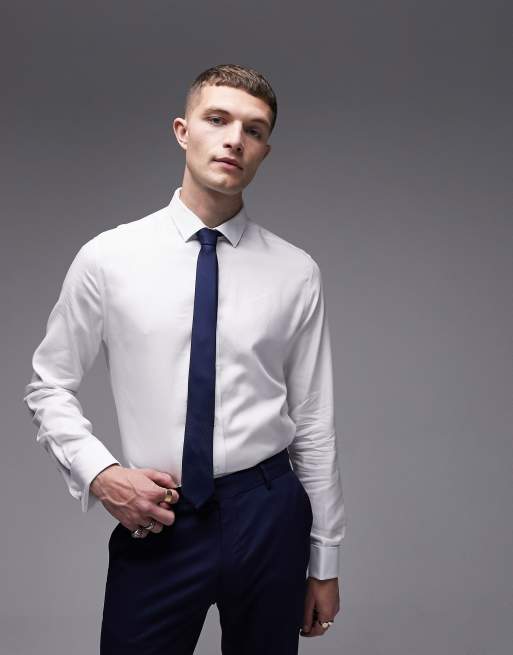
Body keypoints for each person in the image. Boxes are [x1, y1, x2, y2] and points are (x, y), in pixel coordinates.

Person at [23, 63, 347, 654]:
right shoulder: (109, 258)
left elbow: (313, 422)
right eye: (217, 119)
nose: (234, 140)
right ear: (182, 131)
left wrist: (324, 560)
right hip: (161, 514)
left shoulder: (296, 272)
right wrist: (102, 474)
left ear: (264, 151)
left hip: (268, 513)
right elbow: (48, 385)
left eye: (253, 130)